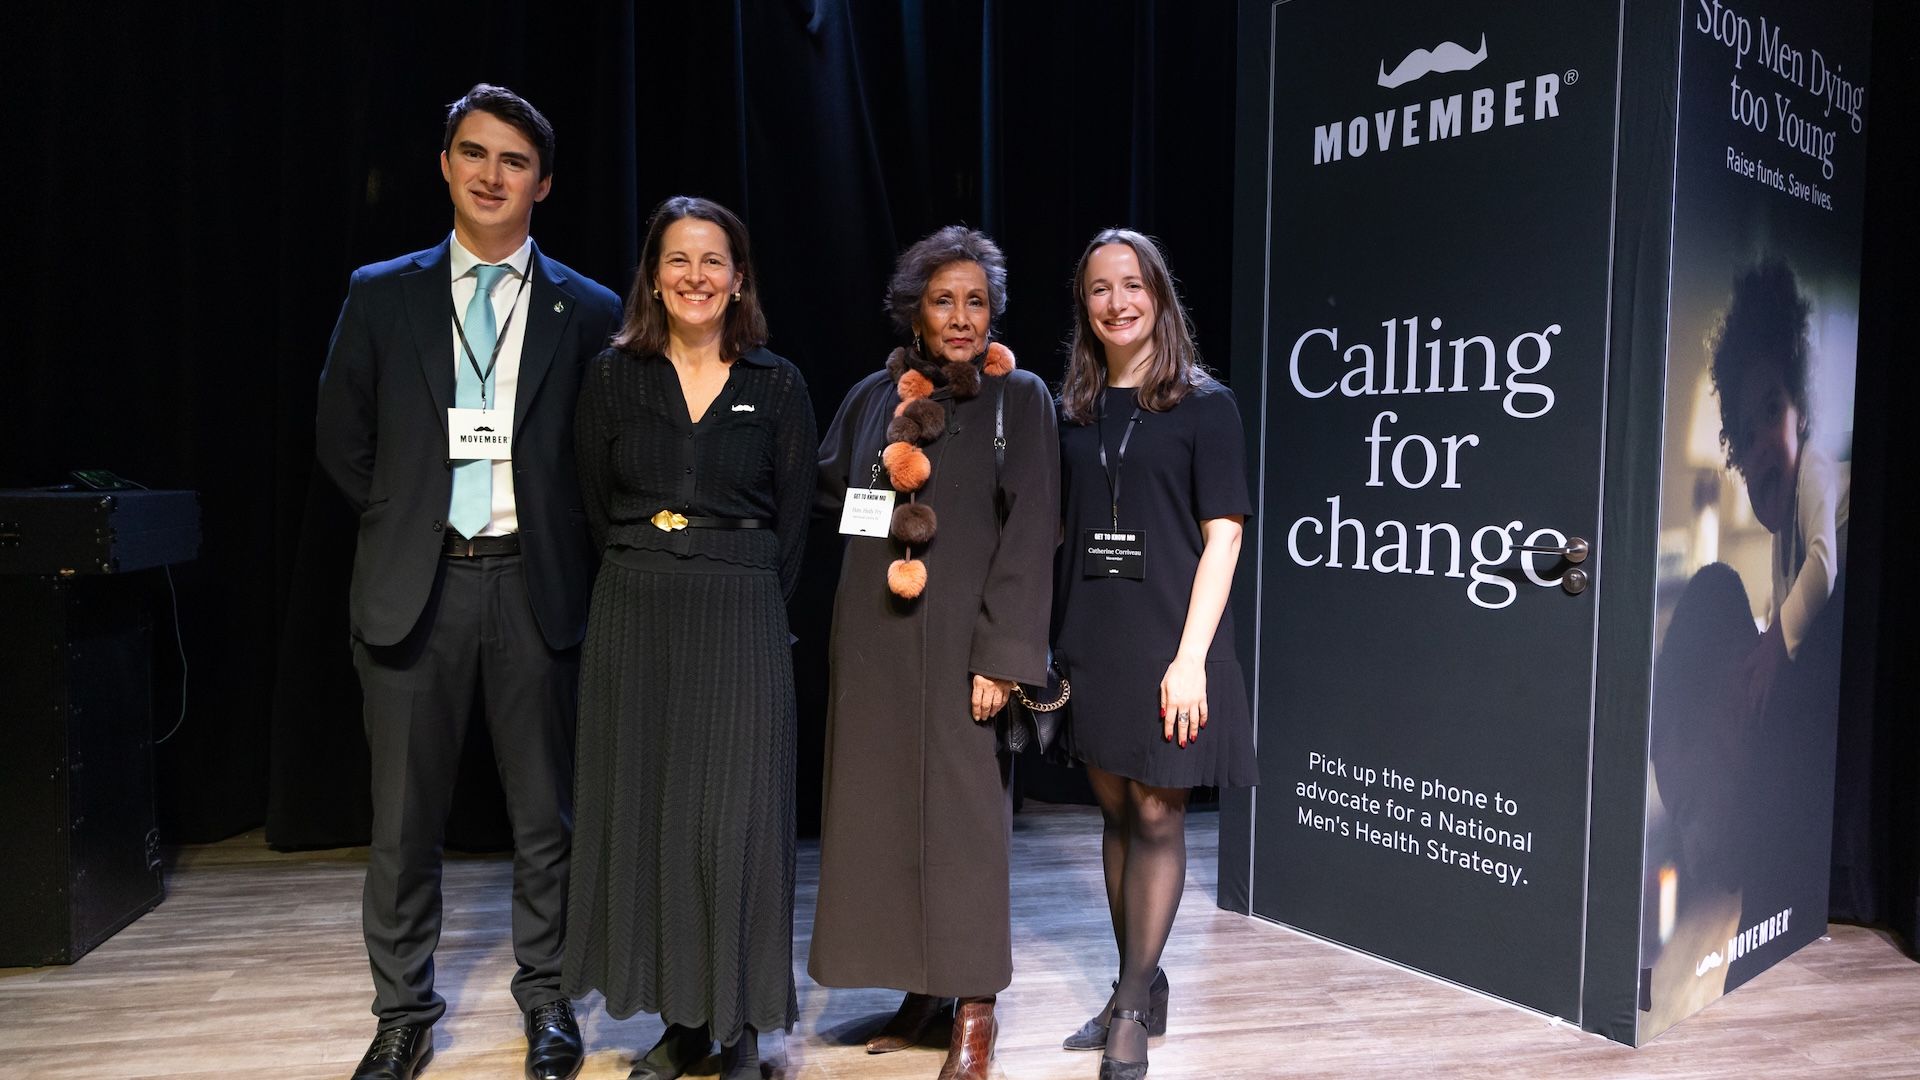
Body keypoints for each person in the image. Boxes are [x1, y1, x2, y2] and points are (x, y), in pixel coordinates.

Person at [315, 84, 620, 1080]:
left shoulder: (591, 309)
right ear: (445, 164)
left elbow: (598, 460)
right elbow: (342, 442)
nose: (493, 175)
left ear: (544, 183)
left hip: (537, 591)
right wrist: (408, 519)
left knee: (549, 822)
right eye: (474, 154)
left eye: (514, 161)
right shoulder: (379, 293)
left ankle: (548, 1004)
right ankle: (401, 1012)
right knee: (401, 827)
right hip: (420, 588)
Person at [562, 196, 815, 1080]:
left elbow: (793, 531)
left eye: (714, 260)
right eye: (679, 259)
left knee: (737, 823)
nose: (696, 276)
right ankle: (681, 1024)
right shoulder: (611, 377)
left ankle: (741, 1026)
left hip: (742, 614)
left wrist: (735, 582)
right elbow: (595, 505)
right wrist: (654, 560)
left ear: (738, 276)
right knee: (656, 821)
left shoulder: (776, 382)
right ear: (653, 274)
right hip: (637, 612)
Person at [810, 226, 1058, 1080]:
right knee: (883, 818)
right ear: (914, 309)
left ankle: (975, 1009)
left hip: (965, 645)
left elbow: (1030, 535)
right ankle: (920, 990)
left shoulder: (1018, 398)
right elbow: (837, 495)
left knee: (965, 828)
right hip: (878, 640)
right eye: (944, 300)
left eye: (977, 301)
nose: (961, 317)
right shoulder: (873, 397)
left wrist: (1003, 657)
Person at [1051, 229, 1257, 1080]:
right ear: (1085, 307)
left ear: (1160, 296)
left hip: (1174, 639)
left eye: (1131, 285)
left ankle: (1132, 1005)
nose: (1116, 302)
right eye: (1099, 289)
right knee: (1115, 814)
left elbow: (1224, 536)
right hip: (1094, 636)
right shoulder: (1076, 411)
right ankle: (1140, 977)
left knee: (1160, 812)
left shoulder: (1208, 404)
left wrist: (1191, 660)